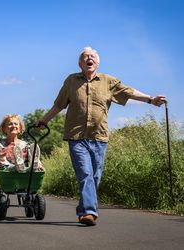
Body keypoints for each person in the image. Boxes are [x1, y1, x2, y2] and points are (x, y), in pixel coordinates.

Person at [37, 47, 166, 226]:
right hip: (76, 137)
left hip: (99, 137)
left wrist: (151, 100)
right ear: (80, 63)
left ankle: (84, 211)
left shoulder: (108, 81)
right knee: (85, 174)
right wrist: (44, 120)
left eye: (92, 56)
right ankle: (89, 212)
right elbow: (59, 105)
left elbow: (129, 92)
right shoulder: (71, 81)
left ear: (98, 62)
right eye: (85, 57)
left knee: (95, 177)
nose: (89, 59)